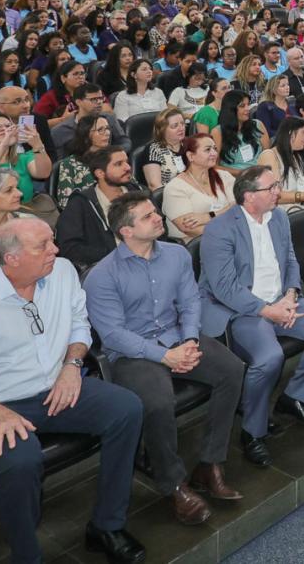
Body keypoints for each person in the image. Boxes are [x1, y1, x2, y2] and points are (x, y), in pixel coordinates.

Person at [0, 218, 147, 564]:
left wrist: (72, 366)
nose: (55, 250)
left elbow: (79, 322)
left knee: (126, 409)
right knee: (22, 458)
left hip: (56, 387)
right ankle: (26, 556)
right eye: (42, 245)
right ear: (11, 259)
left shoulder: (61, 272)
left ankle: (107, 525)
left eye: (52, 241)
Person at [84, 193, 246, 525]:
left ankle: (209, 463)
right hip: (134, 352)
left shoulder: (176, 254)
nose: (158, 217)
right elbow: (113, 335)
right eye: (147, 217)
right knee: (158, 402)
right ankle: (174, 484)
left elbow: (190, 303)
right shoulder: (102, 276)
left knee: (231, 370)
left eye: (155, 212)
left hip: (177, 336)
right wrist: (165, 356)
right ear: (125, 231)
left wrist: (188, 340)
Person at [199, 166, 304, 469]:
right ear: (249, 196)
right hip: (242, 311)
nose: (278, 191)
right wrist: (269, 311)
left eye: (277, 185)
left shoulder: (278, 216)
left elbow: (291, 259)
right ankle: (252, 432)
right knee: (269, 359)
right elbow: (225, 288)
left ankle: (294, 397)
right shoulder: (219, 230)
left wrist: (290, 296)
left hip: (281, 300)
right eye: (272, 187)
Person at [56, 146, 139, 272]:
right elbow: (69, 247)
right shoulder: (81, 203)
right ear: (100, 173)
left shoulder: (138, 192)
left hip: (145, 257)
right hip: (109, 267)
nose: (127, 167)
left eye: (126, 162)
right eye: (118, 164)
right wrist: (114, 253)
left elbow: (160, 228)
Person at [160, 135, 237, 239]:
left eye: (215, 148)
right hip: (195, 245)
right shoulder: (175, 188)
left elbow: (240, 207)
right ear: (191, 156)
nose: (214, 153)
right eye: (207, 150)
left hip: (228, 237)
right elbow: (189, 229)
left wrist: (207, 216)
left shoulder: (224, 176)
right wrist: (225, 227)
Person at [50, 83, 126, 157]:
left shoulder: (109, 118)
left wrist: (113, 154)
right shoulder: (60, 130)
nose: (99, 102)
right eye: (94, 99)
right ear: (78, 102)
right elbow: (58, 160)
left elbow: (124, 141)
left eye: (101, 98)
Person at [53, 113, 111, 207]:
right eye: (100, 130)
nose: (107, 133)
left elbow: (132, 186)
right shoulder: (70, 164)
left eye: (107, 128)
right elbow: (65, 202)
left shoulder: (115, 158)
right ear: (86, 134)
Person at [141, 107, 190, 190]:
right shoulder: (154, 149)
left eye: (182, 123)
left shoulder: (190, 144)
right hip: (169, 195)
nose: (181, 128)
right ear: (162, 130)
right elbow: (155, 185)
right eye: (175, 126)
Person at [111, 58, 167, 124]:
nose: (149, 71)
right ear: (133, 74)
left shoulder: (158, 92)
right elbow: (122, 122)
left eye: (150, 69)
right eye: (144, 69)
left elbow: (165, 116)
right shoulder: (123, 96)